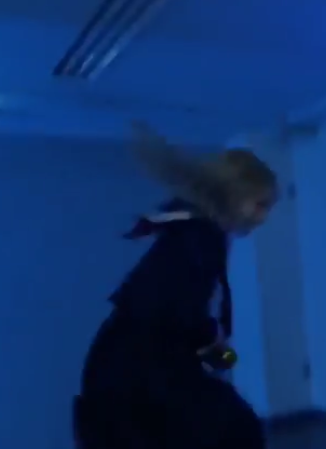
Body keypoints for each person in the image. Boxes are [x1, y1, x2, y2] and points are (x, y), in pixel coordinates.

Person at [73, 122, 278, 449]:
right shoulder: (201, 236)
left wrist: (218, 353)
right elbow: (177, 318)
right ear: (236, 194)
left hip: (120, 372)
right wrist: (220, 353)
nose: (263, 217)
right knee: (236, 432)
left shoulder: (194, 230)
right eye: (260, 204)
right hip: (135, 377)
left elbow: (180, 317)